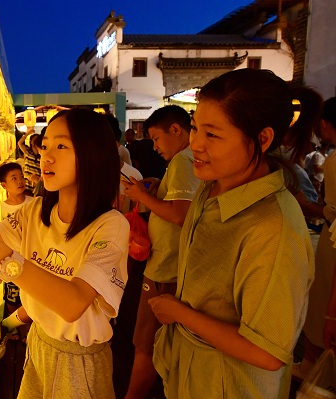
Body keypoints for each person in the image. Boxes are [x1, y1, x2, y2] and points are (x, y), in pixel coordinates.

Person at [0, 108, 130, 398]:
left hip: (79, 361)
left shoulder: (111, 225)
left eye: (61, 146)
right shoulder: (34, 211)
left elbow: (74, 303)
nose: (47, 156)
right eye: (45, 146)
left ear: (92, 153)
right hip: (39, 343)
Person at [149, 69, 314, 398]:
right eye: (195, 127)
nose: (195, 143)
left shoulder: (273, 226)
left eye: (212, 135)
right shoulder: (211, 188)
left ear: (262, 139)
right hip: (189, 375)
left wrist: (180, 313)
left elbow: (266, 352)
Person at [121, 105, 200, 399]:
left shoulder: (183, 160)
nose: (154, 147)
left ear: (176, 130)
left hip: (166, 267)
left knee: (146, 343)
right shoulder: (186, 160)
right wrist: (156, 189)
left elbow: (180, 214)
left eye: (156, 138)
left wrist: (141, 196)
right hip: (173, 264)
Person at [299, 97, 336, 374]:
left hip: (332, 240)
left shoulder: (333, 161)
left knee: (323, 297)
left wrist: (301, 200)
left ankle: (316, 365)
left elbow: (331, 212)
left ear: (324, 125)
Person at [0, 162, 34, 360]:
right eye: (13, 179)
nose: (19, 181)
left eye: (20, 177)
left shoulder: (34, 203)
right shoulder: (0, 208)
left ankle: (27, 333)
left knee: (30, 297)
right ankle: (14, 331)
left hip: (32, 260)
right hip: (9, 260)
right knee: (11, 297)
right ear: (3, 185)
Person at [18, 129, 43, 196]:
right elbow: (20, 143)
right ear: (31, 142)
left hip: (37, 185)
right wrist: (27, 133)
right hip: (26, 185)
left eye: (36, 140)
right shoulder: (27, 152)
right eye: (33, 140)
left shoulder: (41, 155)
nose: (35, 142)